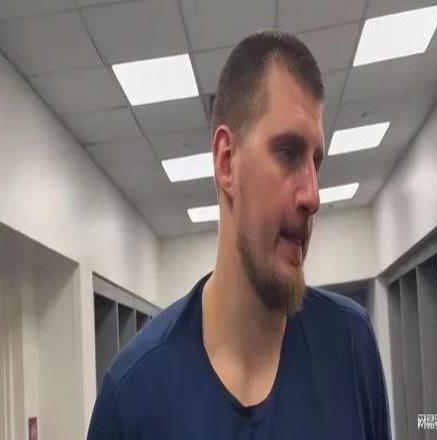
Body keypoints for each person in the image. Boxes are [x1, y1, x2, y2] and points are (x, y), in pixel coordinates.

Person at [87, 30, 391, 439]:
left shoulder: (351, 346)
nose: (313, 195)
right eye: (288, 153)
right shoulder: (132, 394)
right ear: (227, 161)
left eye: (316, 162)